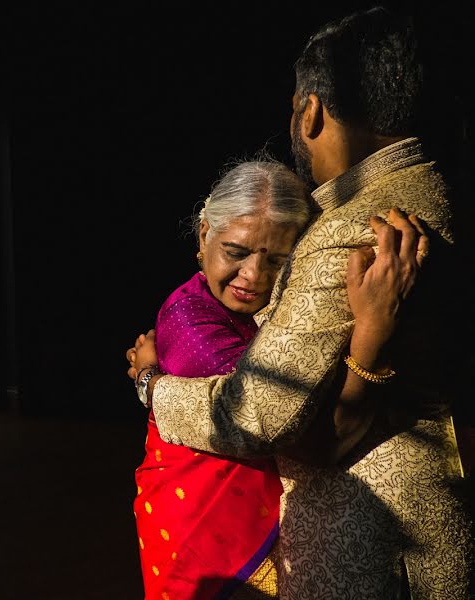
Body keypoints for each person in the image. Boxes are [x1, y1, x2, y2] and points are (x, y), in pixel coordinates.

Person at [126, 7, 473, 599]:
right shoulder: (428, 189)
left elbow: (262, 414)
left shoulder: (357, 226)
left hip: (370, 543)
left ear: (309, 111)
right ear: (203, 234)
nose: (255, 275)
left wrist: (151, 384)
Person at [131, 159, 421, 600]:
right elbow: (302, 441)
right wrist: (372, 335)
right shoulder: (191, 324)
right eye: (236, 251)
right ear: (204, 232)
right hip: (208, 534)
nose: (253, 276)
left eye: (279, 260)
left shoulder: (247, 313)